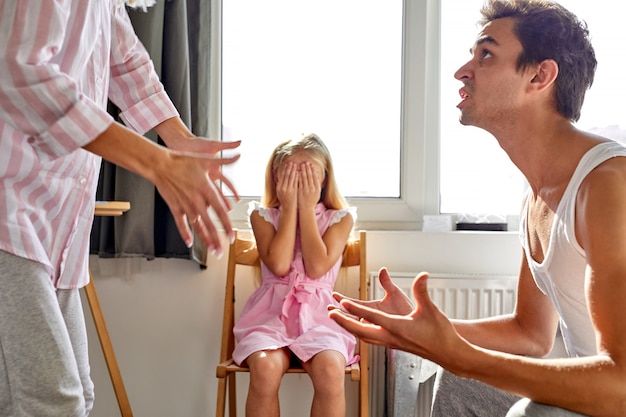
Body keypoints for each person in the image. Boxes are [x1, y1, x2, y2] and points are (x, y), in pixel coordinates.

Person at [329, 1, 626, 416]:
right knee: (461, 383)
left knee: (530, 413)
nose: (463, 71)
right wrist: (423, 331)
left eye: (485, 54)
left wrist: (461, 355)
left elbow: (620, 386)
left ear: (540, 75)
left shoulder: (608, 187)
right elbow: (530, 335)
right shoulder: (537, 196)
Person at [0, 1, 240, 415]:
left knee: (76, 397)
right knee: (52, 402)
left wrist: (178, 139)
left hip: (55, 226)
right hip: (10, 212)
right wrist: (157, 163)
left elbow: (125, 61)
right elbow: (20, 72)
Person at [232, 134, 357, 417]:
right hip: (270, 316)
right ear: (276, 177)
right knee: (264, 368)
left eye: (309, 174)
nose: (300, 181)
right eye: (291, 173)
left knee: (330, 368)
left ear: (324, 179)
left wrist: (306, 210)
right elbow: (278, 265)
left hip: (321, 318)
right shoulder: (262, 216)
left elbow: (316, 267)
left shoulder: (341, 218)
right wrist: (290, 208)